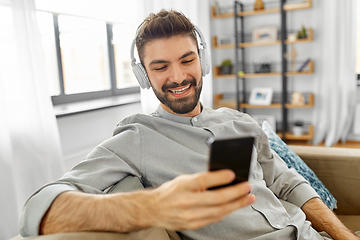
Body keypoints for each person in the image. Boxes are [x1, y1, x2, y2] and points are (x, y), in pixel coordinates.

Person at [20, 9, 359, 240]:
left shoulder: (239, 120)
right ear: (143, 76)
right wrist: (153, 206)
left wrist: (344, 235)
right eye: (160, 66)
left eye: (187, 59)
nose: (178, 76)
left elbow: (286, 184)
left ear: (203, 60)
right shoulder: (135, 137)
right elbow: (37, 211)